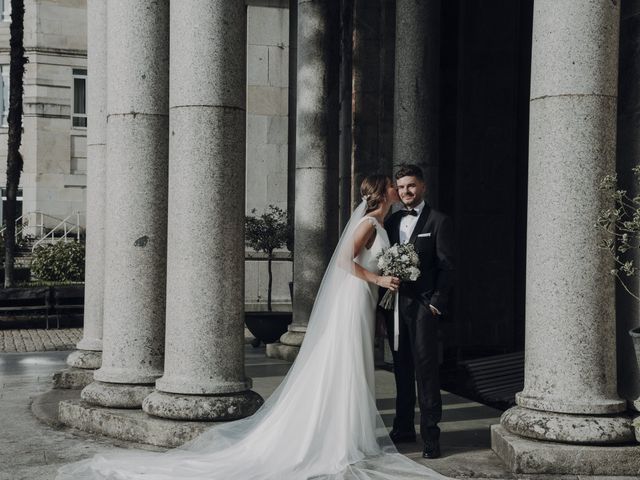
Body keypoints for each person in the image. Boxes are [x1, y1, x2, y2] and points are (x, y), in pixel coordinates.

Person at [56, 174, 450, 480]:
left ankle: (349, 433)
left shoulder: (385, 225)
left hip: (366, 306)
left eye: (405, 187)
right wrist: (379, 280)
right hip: (356, 300)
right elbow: (346, 263)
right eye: (394, 187)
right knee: (341, 365)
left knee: (354, 367)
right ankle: (337, 437)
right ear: (383, 192)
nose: (400, 192)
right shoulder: (367, 224)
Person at [383, 164, 455, 460]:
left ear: (423, 186)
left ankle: (430, 435)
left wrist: (437, 302)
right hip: (395, 305)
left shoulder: (439, 221)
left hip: (424, 306)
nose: (406, 192)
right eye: (401, 187)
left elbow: (447, 266)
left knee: (425, 370)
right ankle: (402, 427)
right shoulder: (391, 221)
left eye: (411, 186)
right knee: (400, 367)